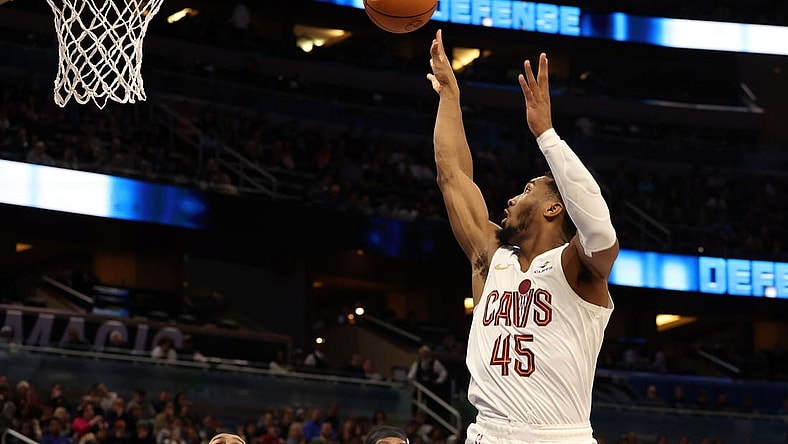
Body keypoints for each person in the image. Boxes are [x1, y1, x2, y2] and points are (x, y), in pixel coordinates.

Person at [427, 28, 619, 444]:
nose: (513, 197)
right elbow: (452, 176)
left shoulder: (578, 268)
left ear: (554, 208)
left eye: (529, 189)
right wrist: (450, 98)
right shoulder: (490, 256)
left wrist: (546, 135)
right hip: (488, 433)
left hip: (557, 437)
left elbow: (600, 227)